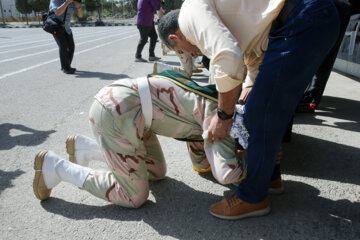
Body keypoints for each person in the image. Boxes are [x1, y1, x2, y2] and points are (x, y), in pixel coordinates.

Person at [158, 0, 340, 220]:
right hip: (309, 18)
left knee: (259, 114)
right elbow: (254, 54)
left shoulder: (189, 15)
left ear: (174, 38)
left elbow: (228, 56)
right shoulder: (220, 17)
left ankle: (252, 197)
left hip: (304, 18)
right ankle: (270, 177)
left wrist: (223, 116)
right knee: (268, 109)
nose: (192, 55)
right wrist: (249, 86)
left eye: (181, 52)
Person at [33, 71, 248, 207]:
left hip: (130, 111)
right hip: (118, 115)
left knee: (157, 172)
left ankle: (84, 150)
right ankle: (56, 168)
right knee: (134, 196)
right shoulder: (222, 116)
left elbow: (200, 161)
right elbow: (227, 174)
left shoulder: (208, 97)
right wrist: (255, 160)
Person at [49, 0, 83, 74]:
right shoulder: (55, 0)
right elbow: (57, 13)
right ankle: (66, 68)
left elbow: (80, 15)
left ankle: (67, 65)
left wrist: (78, 7)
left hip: (66, 28)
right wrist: (66, 2)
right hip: (56, 26)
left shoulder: (72, 2)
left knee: (71, 47)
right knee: (63, 46)